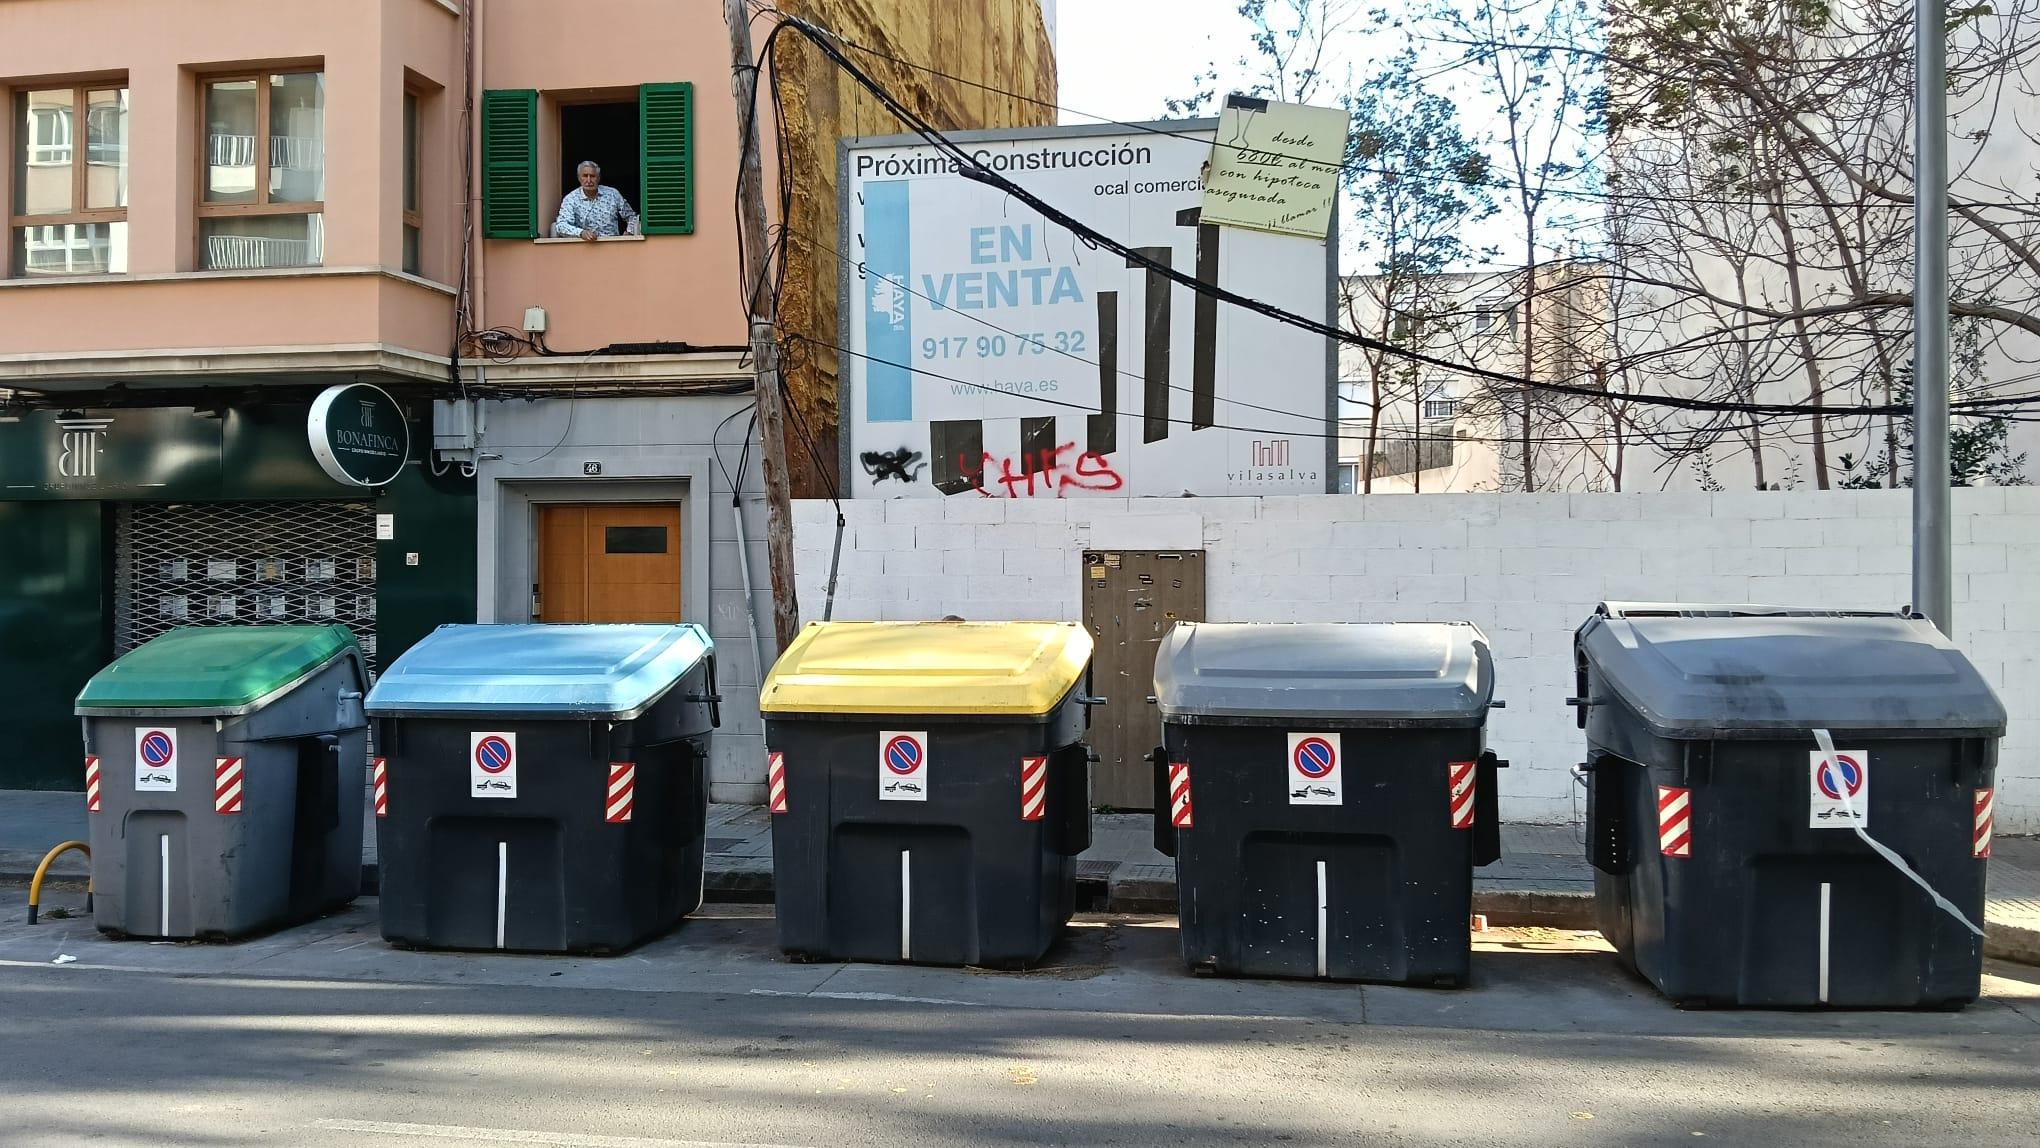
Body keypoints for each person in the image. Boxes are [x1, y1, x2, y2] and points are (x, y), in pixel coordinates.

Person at [553, 161, 640, 240]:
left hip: (612, 246)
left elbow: (632, 217)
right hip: (583, 248)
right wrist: (581, 233)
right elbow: (561, 226)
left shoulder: (613, 194)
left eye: (592, 176)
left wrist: (629, 233)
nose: (589, 180)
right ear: (579, 178)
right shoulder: (571, 199)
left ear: (598, 178)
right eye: (585, 176)